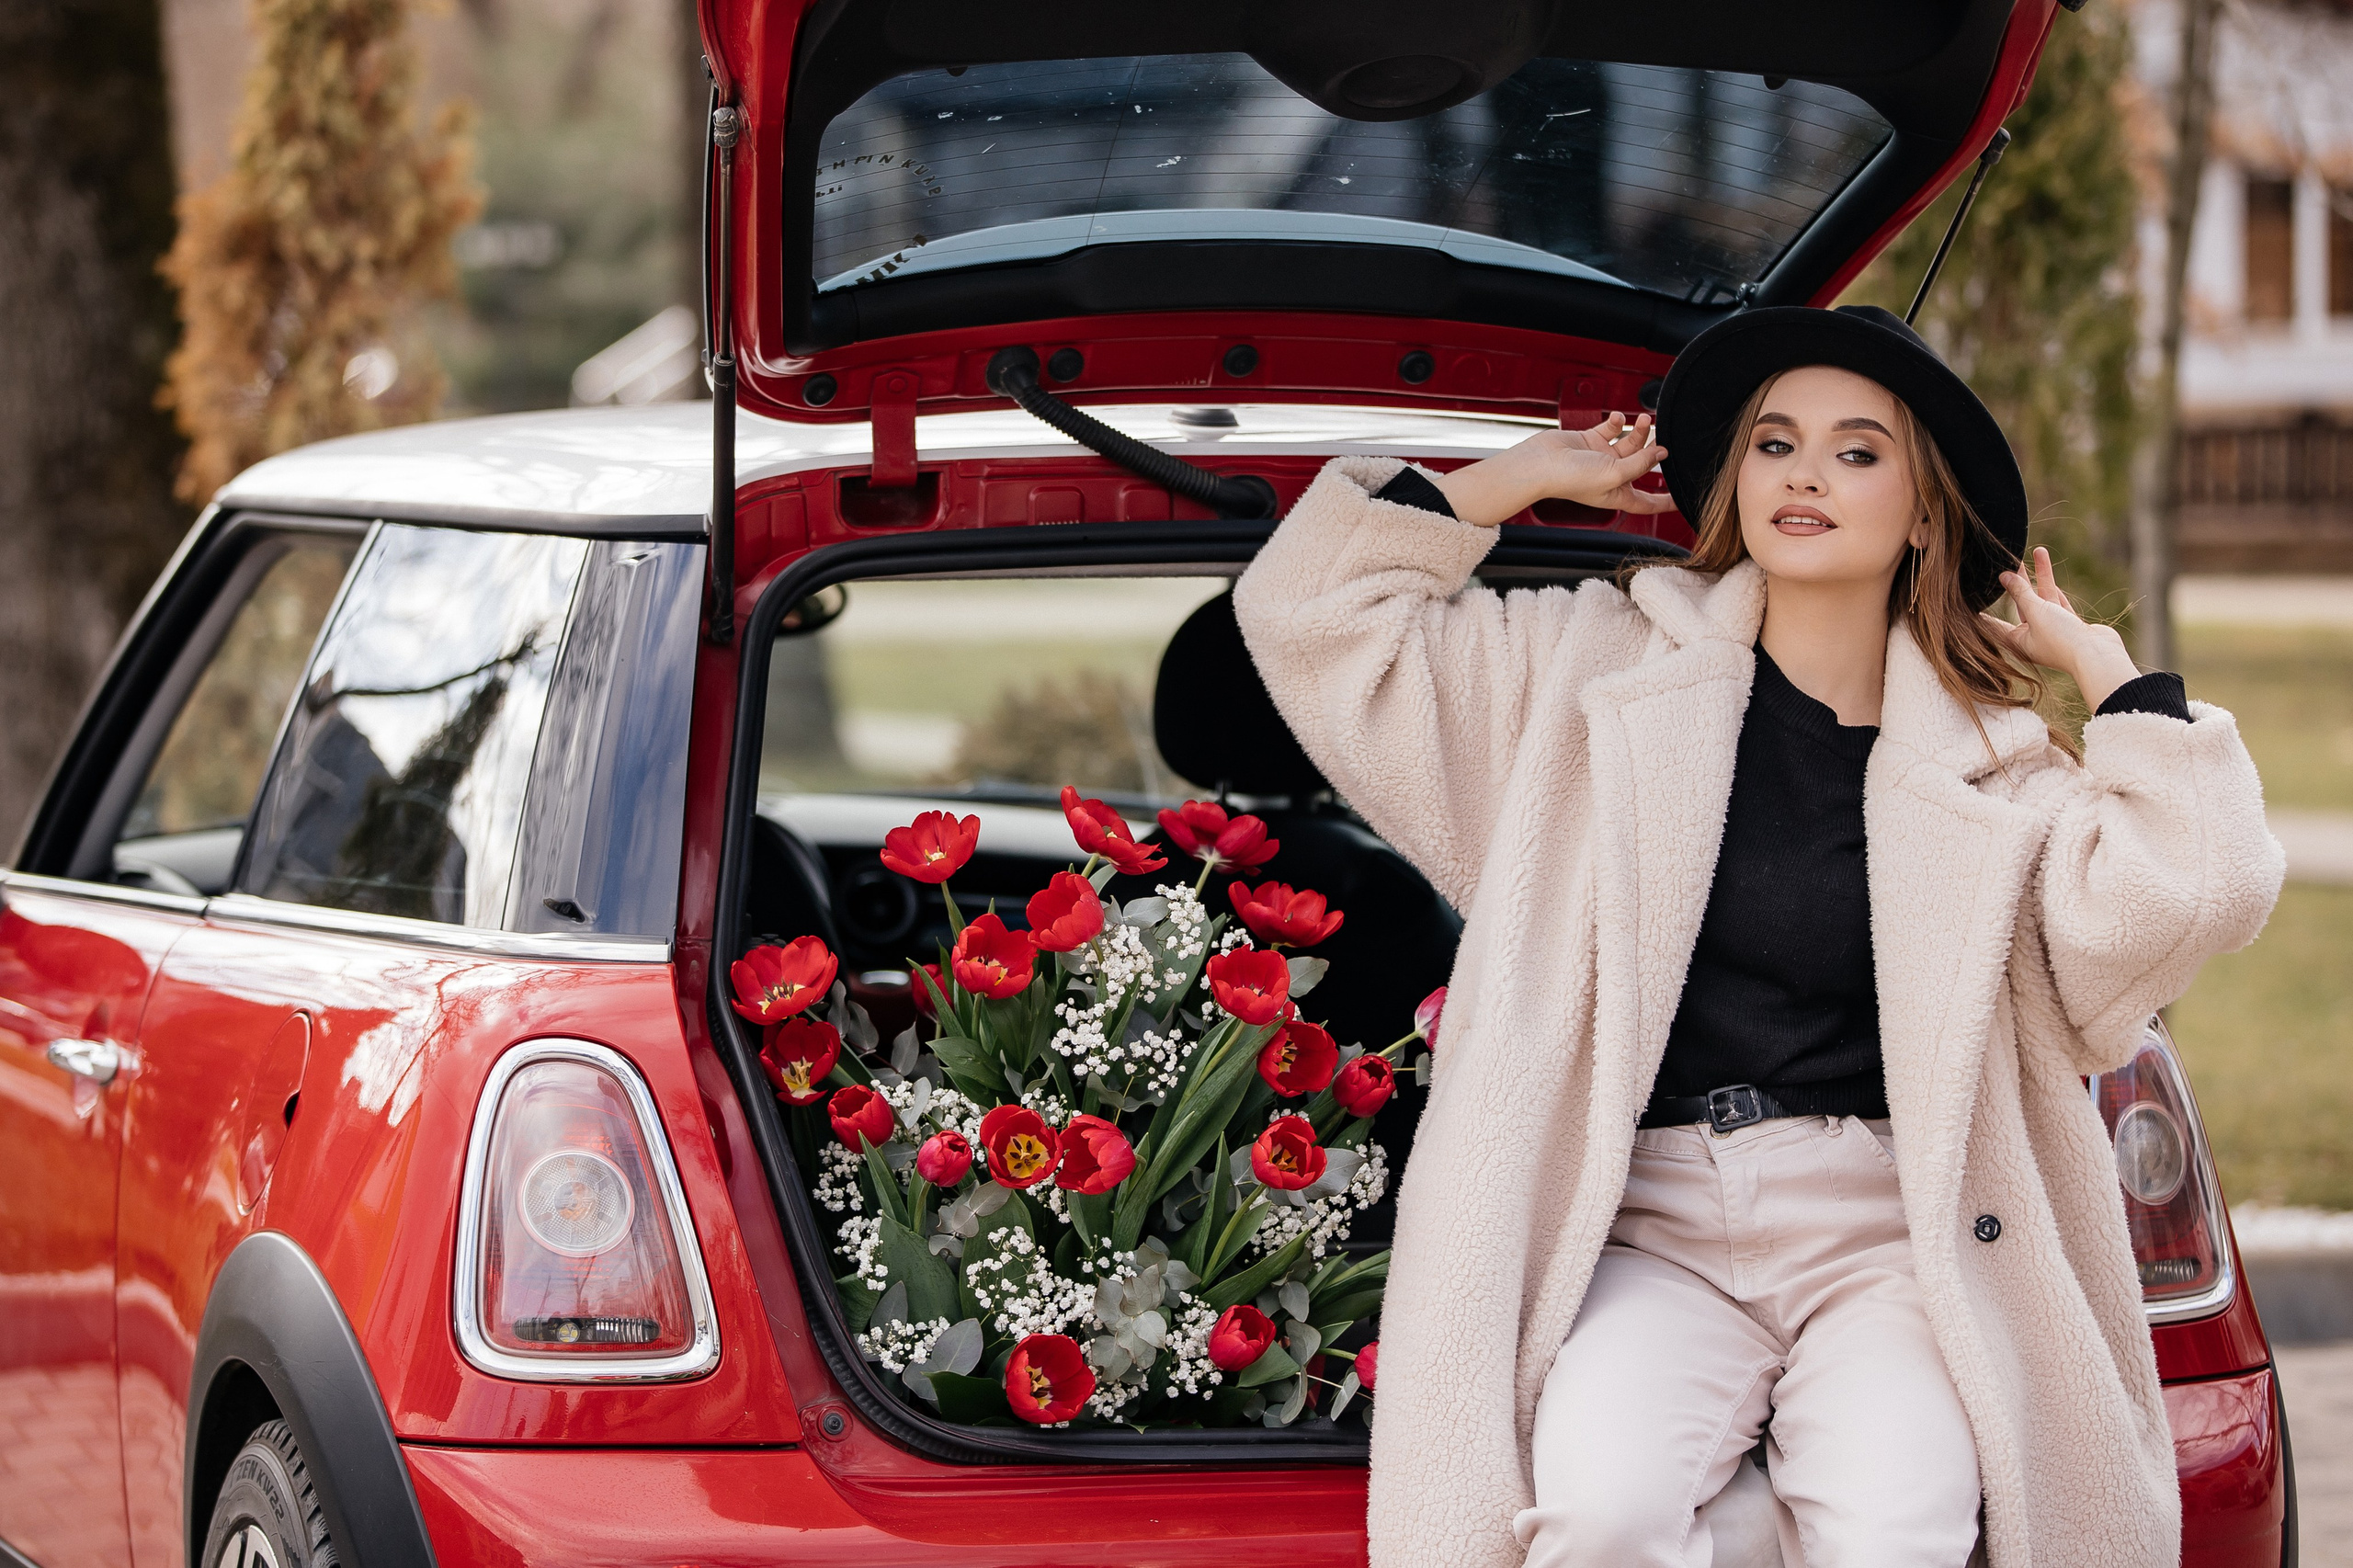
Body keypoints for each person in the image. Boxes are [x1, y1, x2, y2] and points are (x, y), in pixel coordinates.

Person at [1232, 305, 2285, 1568]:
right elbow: (1313, 612)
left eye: (1856, 450)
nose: (1803, 471)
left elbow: (2198, 890)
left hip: (1889, 1240)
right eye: (1775, 441)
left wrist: (2119, 689)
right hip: (1654, 1227)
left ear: (1926, 510)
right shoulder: (1591, 677)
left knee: (1901, 1529)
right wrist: (1523, 477)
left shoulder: (1999, 776)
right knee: (1597, 1516)